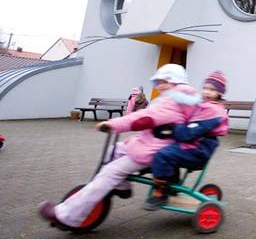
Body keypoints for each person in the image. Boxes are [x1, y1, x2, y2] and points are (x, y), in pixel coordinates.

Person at [38, 64, 201, 229]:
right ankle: (123, 187)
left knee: (110, 171)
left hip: (153, 152)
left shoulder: (172, 102)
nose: (158, 85)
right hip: (147, 144)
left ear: (175, 82)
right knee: (113, 150)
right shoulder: (173, 99)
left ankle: (67, 215)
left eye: (162, 81)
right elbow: (145, 116)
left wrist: (114, 124)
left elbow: (145, 118)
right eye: (157, 82)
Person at [145, 71, 229, 210]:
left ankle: (161, 192)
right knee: (161, 149)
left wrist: (175, 128)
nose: (207, 92)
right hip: (193, 146)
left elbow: (188, 133)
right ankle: (170, 180)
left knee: (163, 154)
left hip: (198, 151)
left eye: (212, 89)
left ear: (220, 93)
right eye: (205, 88)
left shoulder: (213, 112)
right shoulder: (203, 105)